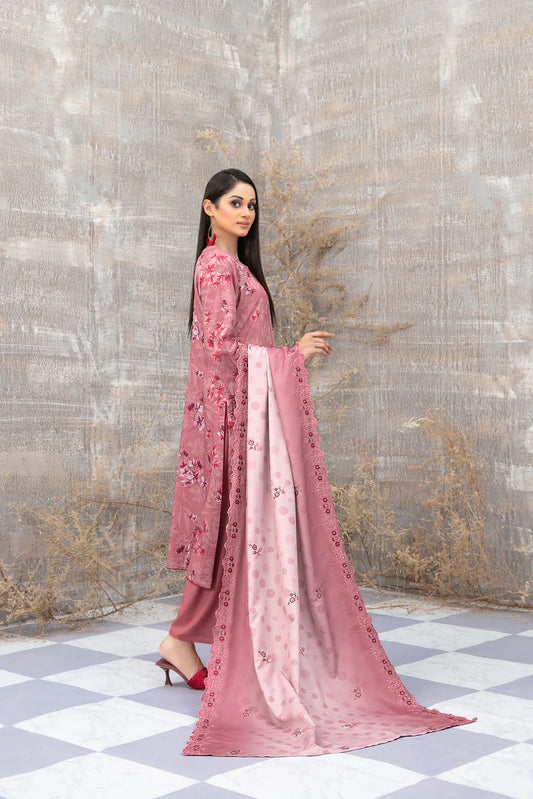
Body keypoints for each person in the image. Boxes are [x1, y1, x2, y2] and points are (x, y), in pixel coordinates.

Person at [157, 168, 476, 757]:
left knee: (231, 534)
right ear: (209, 209)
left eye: (252, 205)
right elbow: (220, 349)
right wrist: (290, 355)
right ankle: (181, 639)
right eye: (235, 203)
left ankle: (181, 640)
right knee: (229, 532)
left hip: (243, 415)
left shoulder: (235, 267)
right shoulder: (217, 267)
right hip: (230, 421)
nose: (246, 212)